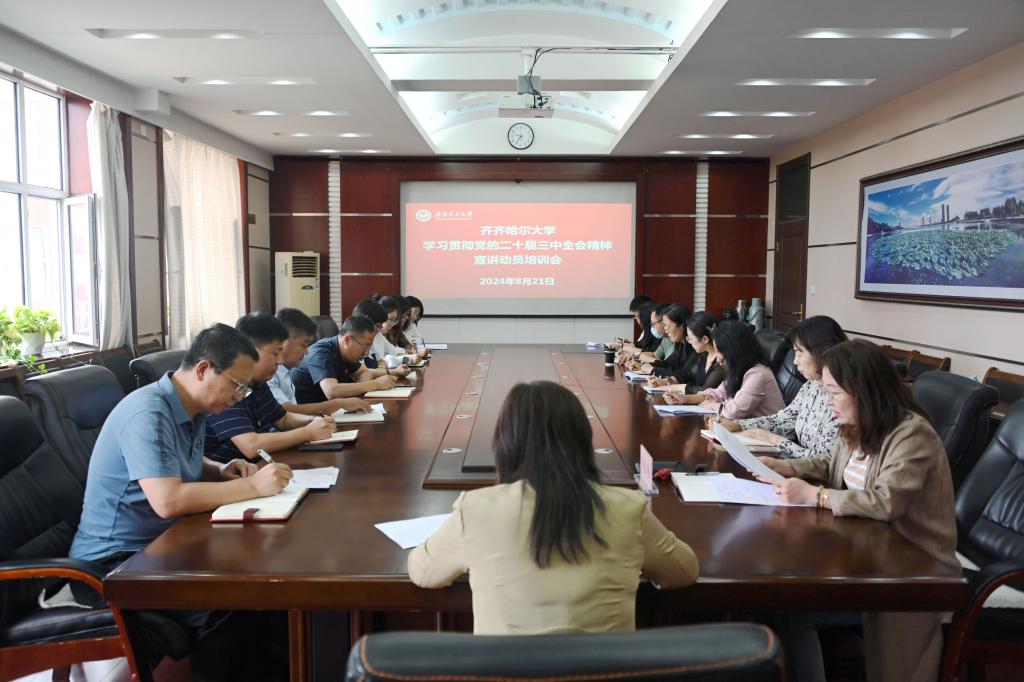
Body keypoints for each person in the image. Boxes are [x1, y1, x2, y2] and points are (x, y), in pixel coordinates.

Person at [69, 324, 294, 677]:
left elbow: (184, 460)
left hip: (161, 544)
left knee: (257, 582)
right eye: (237, 385)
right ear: (203, 369)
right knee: (228, 605)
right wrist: (253, 487)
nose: (240, 397)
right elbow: (168, 500)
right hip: (112, 565)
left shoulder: (192, 406)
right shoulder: (148, 412)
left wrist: (221, 469)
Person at [408, 381, 699, 634]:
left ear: (504, 443)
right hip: (605, 672)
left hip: (507, 672)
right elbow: (685, 571)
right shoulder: (627, 508)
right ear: (583, 440)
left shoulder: (475, 509)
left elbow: (422, 572)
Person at [759, 339, 957, 682]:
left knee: (794, 608)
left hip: (910, 569)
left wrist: (817, 496)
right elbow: (829, 462)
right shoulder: (856, 424)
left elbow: (886, 501)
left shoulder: (911, 435)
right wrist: (787, 467)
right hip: (863, 552)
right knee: (782, 596)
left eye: (834, 392)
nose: (828, 401)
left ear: (863, 390)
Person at [204, 312, 339, 463]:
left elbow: (283, 419)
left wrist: (313, 420)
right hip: (228, 474)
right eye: (275, 353)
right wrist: (307, 433)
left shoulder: (259, 382)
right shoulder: (227, 386)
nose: (280, 361)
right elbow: (250, 445)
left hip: (258, 466)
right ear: (250, 351)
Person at [713, 316, 847, 459]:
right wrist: (737, 425)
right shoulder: (811, 385)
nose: (795, 361)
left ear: (821, 351)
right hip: (794, 463)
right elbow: (782, 419)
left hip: (805, 468)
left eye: (800, 353)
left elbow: (822, 461)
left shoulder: (843, 398)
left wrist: (772, 439)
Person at [663, 319, 783, 419]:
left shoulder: (758, 374)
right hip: (748, 431)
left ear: (734, 350)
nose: (718, 357)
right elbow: (718, 394)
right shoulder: (739, 368)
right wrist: (684, 399)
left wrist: (712, 405)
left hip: (767, 436)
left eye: (719, 351)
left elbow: (734, 411)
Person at [268, 307, 372, 417]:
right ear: (283, 342)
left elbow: (289, 418)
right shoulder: (270, 375)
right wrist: (340, 403)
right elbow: (285, 413)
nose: (306, 352)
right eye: (304, 345)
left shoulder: (285, 370)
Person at [290, 315, 398, 403]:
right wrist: (374, 384)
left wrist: (363, 392)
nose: (367, 352)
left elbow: (364, 372)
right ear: (347, 340)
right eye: (365, 346)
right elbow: (332, 391)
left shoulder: (345, 352)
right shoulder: (321, 353)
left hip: (332, 410)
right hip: (310, 415)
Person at [650, 311, 725, 394]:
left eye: (690, 338)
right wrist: (666, 381)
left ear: (705, 339)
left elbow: (706, 391)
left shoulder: (722, 360)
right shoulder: (703, 354)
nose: (689, 342)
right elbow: (686, 374)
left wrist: (677, 387)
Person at [627, 304, 693, 376]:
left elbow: (683, 374)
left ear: (682, 326)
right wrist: (641, 365)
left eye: (668, 327)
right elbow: (667, 363)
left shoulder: (693, 347)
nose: (666, 330)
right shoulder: (680, 345)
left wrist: (652, 370)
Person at [373, 296, 422, 369]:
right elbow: (379, 363)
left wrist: (410, 354)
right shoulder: (371, 335)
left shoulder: (379, 335)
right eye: (390, 319)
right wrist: (408, 358)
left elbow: (392, 350)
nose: (392, 324)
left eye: (395, 321)